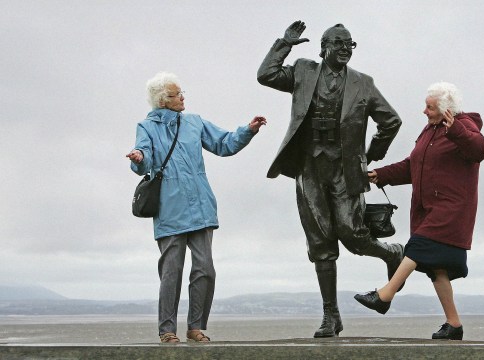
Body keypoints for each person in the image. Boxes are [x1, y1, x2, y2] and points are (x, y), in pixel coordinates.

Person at [257, 21, 404, 338]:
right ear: (323, 47)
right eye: (339, 43)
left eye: (350, 44)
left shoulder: (363, 83)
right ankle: (330, 316)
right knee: (320, 243)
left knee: (353, 235)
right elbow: (265, 75)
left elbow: (391, 120)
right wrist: (284, 43)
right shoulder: (303, 72)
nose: (345, 49)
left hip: (344, 170)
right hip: (309, 167)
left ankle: (392, 253)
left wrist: (371, 155)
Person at [126, 72, 267, 343]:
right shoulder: (147, 127)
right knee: (171, 272)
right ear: (162, 101)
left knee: (205, 269)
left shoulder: (194, 122)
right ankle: (167, 331)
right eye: (176, 94)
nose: (182, 97)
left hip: (201, 207)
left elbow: (224, 144)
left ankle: (195, 327)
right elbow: (143, 156)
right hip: (169, 209)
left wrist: (248, 130)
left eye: (182, 92)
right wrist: (138, 158)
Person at [354, 82, 484, 341]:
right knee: (437, 269)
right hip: (428, 207)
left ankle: (385, 295)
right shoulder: (430, 131)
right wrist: (380, 174)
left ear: (446, 109)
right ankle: (454, 325)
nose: (424, 111)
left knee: (417, 246)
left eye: (429, 107)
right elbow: (412, 166)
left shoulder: (465, 125)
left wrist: (456, 129)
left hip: (452, 208)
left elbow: (480, 150)